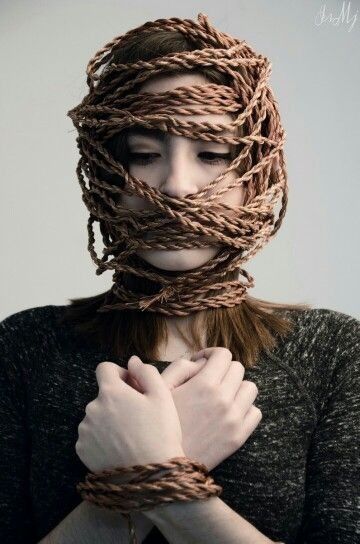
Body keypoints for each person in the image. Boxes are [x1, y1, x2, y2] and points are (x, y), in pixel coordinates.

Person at [0, 13, 359, 544]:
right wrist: (158, 469)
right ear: (104, 173)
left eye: (211, 154)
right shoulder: (26, 349)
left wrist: (167, 476)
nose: (177, 186)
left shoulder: (332, 353)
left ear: (255, 174)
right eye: (144, 155)